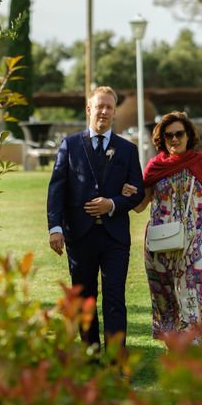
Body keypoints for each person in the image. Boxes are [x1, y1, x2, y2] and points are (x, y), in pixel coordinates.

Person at [123, 111, 202, 348]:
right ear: (161, 139)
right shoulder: (155, 167)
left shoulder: (200, 163)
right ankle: (176, 350)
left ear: (188, 135)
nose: (174, 139)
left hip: (195, 244)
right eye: (168, 135)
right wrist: (127, 195)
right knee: (167, 298)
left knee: (200, 294)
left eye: (178, 134)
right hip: (160, 246)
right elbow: (141, 206)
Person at [47, 86, 144, 355]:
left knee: (115, 299)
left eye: (109, 107)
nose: (104, 111)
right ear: (89, 110)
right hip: (80, 236)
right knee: (84, 300)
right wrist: (55, 228)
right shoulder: (70, 145)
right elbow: (57, 188)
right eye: (99, 106)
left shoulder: (127, 149)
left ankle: (116, 361)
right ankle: (91, 356)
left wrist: (112, 203)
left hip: (115, 238)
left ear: (114, 112)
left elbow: (138, 191)